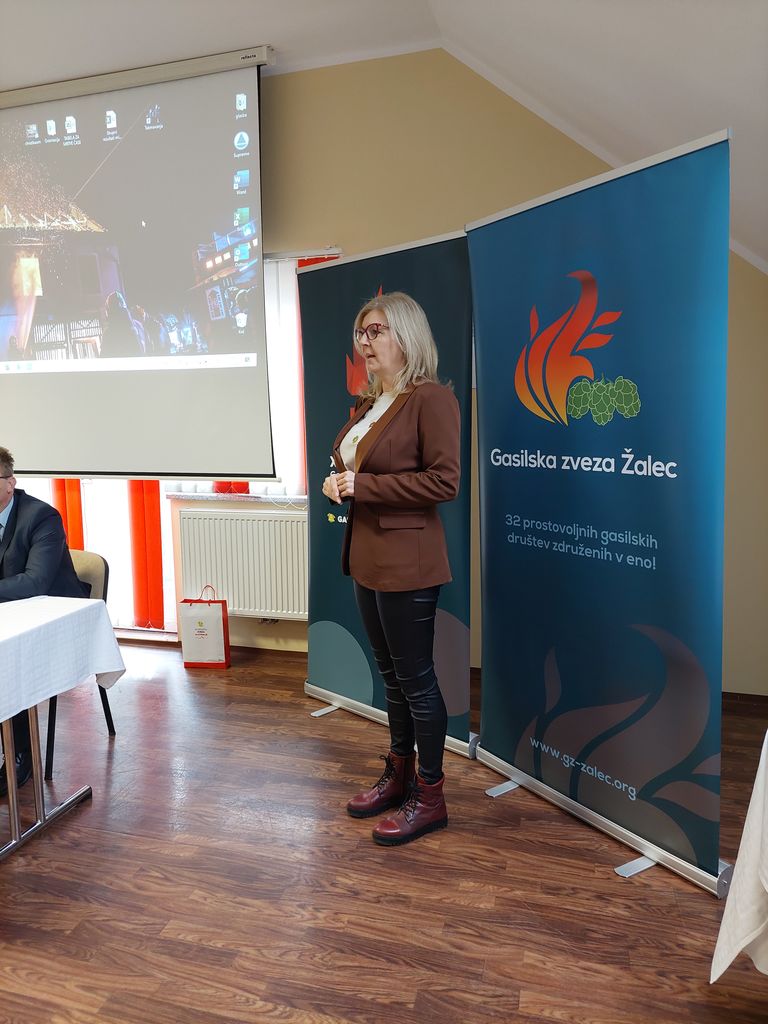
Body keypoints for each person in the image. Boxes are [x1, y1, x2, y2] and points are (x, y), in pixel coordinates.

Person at [322, 292, 460, 846]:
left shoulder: (431, 399)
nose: (366, 342)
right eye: (361, 333)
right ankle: (399, 775)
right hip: (368, 557)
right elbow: (356, 469)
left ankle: (431, 797)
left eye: (376, 331)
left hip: (409, 561)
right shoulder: (371, 402)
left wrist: (364, 485)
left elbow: (444, 481)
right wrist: (338, 482)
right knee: (393, 680)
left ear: (407, 335)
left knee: (417, 682)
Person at [0, 447, 89, 796]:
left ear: (10, 482)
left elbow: (35, 582)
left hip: (55, 619)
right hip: (9, 612)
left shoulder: (41, 517)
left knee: (10, 662)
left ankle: (20, 755)